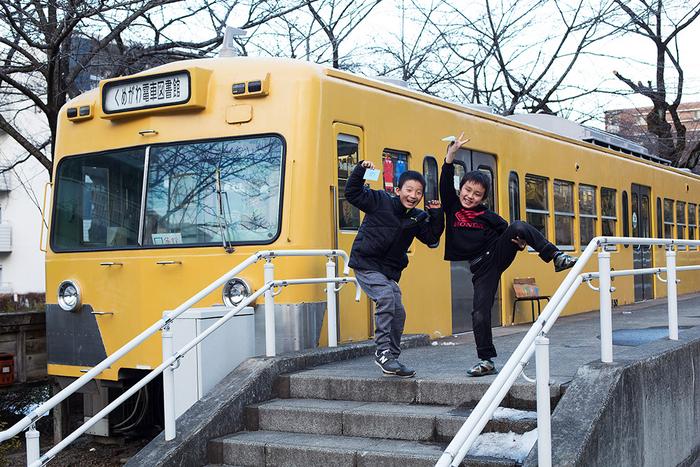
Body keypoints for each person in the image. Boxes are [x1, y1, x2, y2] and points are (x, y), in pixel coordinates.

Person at [440, 133, 577, 377]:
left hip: (496, 255)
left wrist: (521, 243)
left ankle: (556, 256)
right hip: (481, 268)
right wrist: (450, 156)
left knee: (518, 224)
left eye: (477, 194)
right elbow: (444, 181)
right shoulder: (452, 207)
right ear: (461, 189)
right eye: (467, 190)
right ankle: (486, 361)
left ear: (484, 198)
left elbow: (514, 233)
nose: (470, 196)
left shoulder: (488, 217)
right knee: (480, 312)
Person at [346, 160, 444, 377]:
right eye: (409, 190)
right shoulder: (379, 200)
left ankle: (392, 357)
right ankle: (382, 353)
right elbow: (352, 193)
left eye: (418, 192)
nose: (413, 195)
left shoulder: (417, 217)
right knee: (386, 297)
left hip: (388, 271)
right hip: (366, 263)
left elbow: (431, 239)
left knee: (398, 311)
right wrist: (361, 170)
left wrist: (436, 215)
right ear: (398, 190)